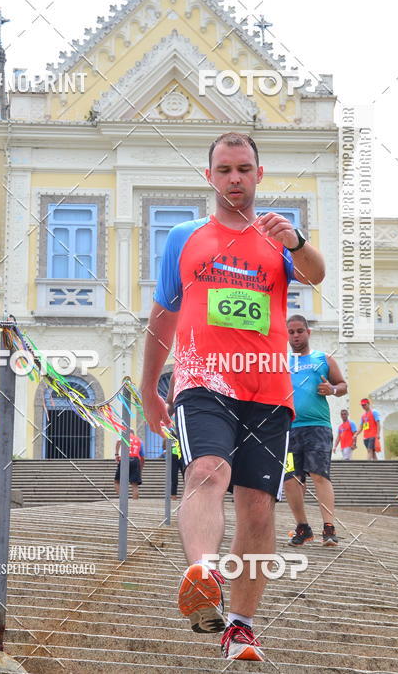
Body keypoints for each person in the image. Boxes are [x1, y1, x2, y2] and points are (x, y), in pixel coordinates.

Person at [140, 131, 325, 662]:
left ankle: (240, 626)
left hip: (268, 388)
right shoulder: (184, 236)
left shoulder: (277, 237)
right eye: (224, 170)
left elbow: (317, 273)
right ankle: (202, 571)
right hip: (202, 380)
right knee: (205, 472)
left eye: (244, 169)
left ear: (258, 175)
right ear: (210, 177)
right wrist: (154, 389)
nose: (235, 179)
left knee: (259, 510)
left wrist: (294, 240)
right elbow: (163, 318)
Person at [284, 316, 347, 548]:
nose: (296, 336)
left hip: (318, 427)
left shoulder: (323, 358)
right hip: (288, 429)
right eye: (291, 332)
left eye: (300, 331)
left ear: (308, 332)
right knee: (290, 480)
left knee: (319, 475)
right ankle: (302, 528)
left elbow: (342, 386)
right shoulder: (281, 362)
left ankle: (328, 527)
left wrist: (331, 388)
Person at [114, 429, 144, 500]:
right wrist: (141, 468)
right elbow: (142, 457)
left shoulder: (124, 436)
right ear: (133, 433)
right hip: (135, 460)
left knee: (117, 481)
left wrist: (116, 454)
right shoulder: (139, 440)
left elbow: (118, 441)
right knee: (135, 485)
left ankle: (124, 500)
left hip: (125, 459)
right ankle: (135, 503)